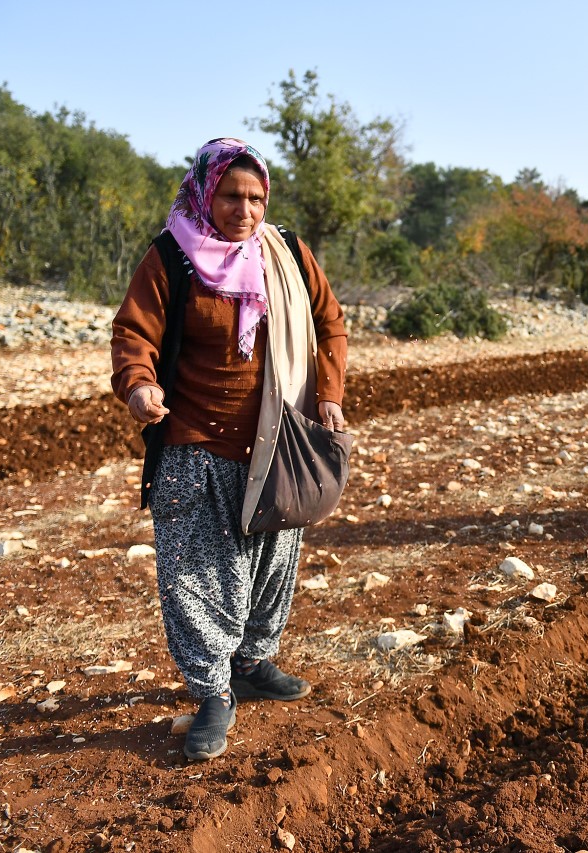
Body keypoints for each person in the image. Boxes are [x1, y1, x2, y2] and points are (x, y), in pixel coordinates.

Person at [111, 138, 348, 761]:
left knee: (273, 558)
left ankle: (252, 662)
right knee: (197, 573)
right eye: (231, 196)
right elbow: (134, 331)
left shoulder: (288, 254)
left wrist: (328, 392)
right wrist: (139, 387)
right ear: (204, 193)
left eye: (256, 197)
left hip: (277, 435)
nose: (244, 209)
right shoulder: (171, 256)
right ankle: (214, 693)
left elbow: (329, 322)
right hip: (195, 443)